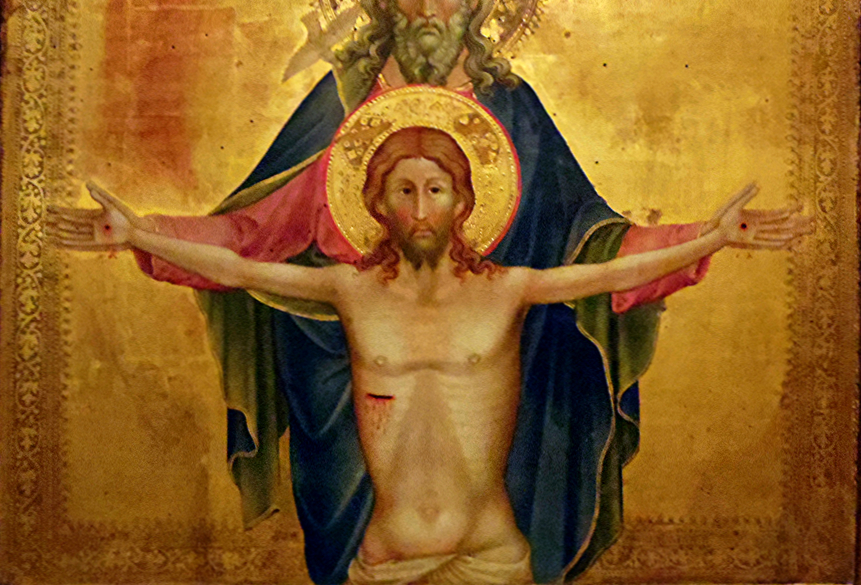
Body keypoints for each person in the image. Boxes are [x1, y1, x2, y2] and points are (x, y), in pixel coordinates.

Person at [52, 0, 811, 584]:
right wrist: (142, 233)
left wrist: (707, 237)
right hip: (348, 385)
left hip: (495, 409)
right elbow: (247, 240)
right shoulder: (341, 111)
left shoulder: (514, 116)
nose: (425, 6)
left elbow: (598, 248)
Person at [47, 126, 805, 585]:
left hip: (492, 553)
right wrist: (138, 235)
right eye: (402, 191)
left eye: (435, 189)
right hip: (390, 557)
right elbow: (240, 268)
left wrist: (713, 237)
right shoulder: (349, 288)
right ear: (377, 203)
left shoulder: (510, 289)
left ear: (462, 201)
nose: (418, 208)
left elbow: (610, 274)